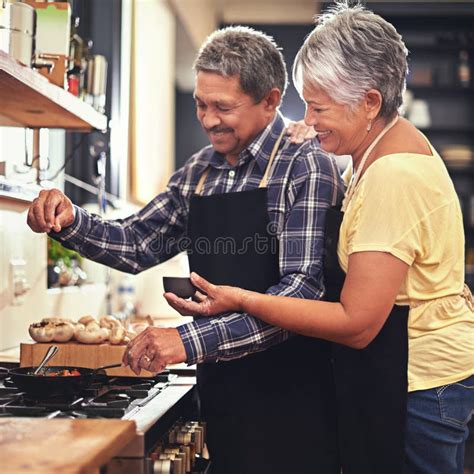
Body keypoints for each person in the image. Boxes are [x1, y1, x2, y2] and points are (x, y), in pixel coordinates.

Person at [164, 4, 474, 474]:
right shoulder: (378, 148)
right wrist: (319, 126)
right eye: (307, 103)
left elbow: (357, 322)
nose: (307, 118)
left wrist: (242, 299)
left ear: (370, 102)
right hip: (402, 375)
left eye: (319, 106)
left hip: (420, 388)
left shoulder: (393, 177)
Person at [27, 26, 344, 474]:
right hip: (222, 392)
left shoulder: (305, 165)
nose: (208, 119)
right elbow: (137, 243)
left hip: (295, 398)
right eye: (200, 103)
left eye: (223, 107)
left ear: (270, 101)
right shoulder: (198, 171)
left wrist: (185, 341)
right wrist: (70, 220)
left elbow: (300, 294)